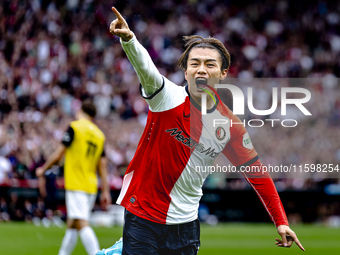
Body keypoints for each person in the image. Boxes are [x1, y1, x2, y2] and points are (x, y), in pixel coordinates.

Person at [98, 7, 305, 255]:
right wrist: (129, 39)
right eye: (194, 63)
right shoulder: (166, 97)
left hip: (186, 226)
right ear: (186, 71)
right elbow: (146, 68)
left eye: (210, 64)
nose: (201, 69)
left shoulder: (229, 125)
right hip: (144, 217)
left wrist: (280, 220)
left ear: (223, 73)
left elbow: (257, 173)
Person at [36, 101, 111, 255]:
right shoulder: (99, 135)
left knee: (81, 223)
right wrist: (105, 191)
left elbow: (58, 155)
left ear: (80, 110)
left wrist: (43, 169)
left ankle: (97, 253)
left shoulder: (75, 127)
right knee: (72, 223)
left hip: (77, 183)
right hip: (91, 185)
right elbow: (102, 166)